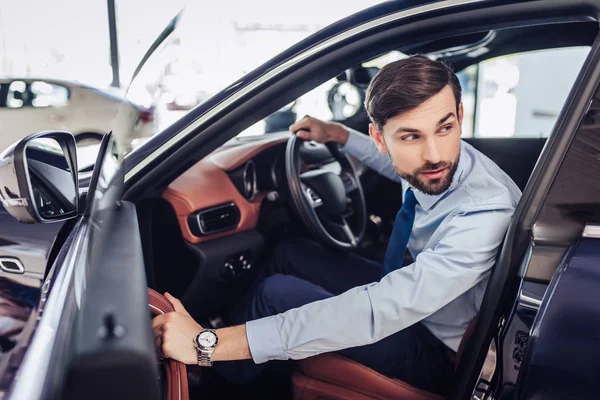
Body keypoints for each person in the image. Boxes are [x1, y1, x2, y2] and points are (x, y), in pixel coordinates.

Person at [152, 55, 521, 395]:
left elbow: (378, 309)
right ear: (381, 138)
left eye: (445, 128)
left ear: (458, 113)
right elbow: (394, 170)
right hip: (419, 302)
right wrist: (339, 136)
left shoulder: (483, 210)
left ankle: (214, 378)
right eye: (410, 136)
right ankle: (241, 363)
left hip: (438, 348)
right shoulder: (441, 158)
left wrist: (209, 344)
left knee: (274, 293)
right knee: (289, 252)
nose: (435, 154)